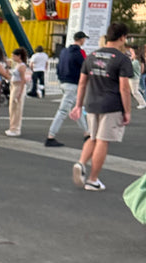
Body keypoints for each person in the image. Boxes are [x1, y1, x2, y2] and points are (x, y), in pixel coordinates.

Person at [70, 21, 133, 191]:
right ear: (122, 37)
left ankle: (81, 163)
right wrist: (127, 111)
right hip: (111, 105)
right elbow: (124, 88)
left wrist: (78, 105)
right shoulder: (122, 59)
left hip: (91, 103)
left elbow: (82, 83)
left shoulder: (91, 56)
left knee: (93, 137)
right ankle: (93, 179)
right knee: (103, 141)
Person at [45, 30, 89, 146]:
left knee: (76, 108)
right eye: (84, 39)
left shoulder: (64, 51)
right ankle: (51, 136)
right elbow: (85, 68)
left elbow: (59, 67)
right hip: (73, 84)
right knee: (63, 111)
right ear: (81, 39)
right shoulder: (79, 53)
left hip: (64, 82)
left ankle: (87, 133)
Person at [4, 47, 30, 136]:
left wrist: (20, 93)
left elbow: (23, 80)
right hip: (14, 85)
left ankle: (16, 129)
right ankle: (12, 127)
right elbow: (9, 75)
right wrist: (8, 66)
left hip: (18, 86)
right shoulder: (17, 65)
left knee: (16, 108)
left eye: (14, 56)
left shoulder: (22, 66)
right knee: (12, 108)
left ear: (19, 56)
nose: (12, 57)